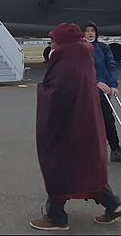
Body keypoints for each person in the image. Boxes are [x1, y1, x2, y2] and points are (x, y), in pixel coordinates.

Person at [30, 23, 121, 231]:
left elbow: (57, 96)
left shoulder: (66, 63)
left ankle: (56, 217)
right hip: (87, 126)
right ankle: (113, 204)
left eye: (54, 42)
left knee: (59, 167)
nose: (51, 45)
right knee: (88, 169)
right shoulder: (82, 58)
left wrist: (43, 90)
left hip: (67, 129)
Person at [83, 21, 121, 162]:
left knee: (108, 121)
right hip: (86, 91)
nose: (90, 33)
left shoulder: (103, 47)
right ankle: (89, 152)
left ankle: (116, 149)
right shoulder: (79, 49)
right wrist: (96, 83)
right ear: (82, 33)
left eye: (93, 30)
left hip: (104, 92)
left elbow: (110, 66)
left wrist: (113, 85)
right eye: (87, 30)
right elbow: (80, 71)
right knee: (88, 122)